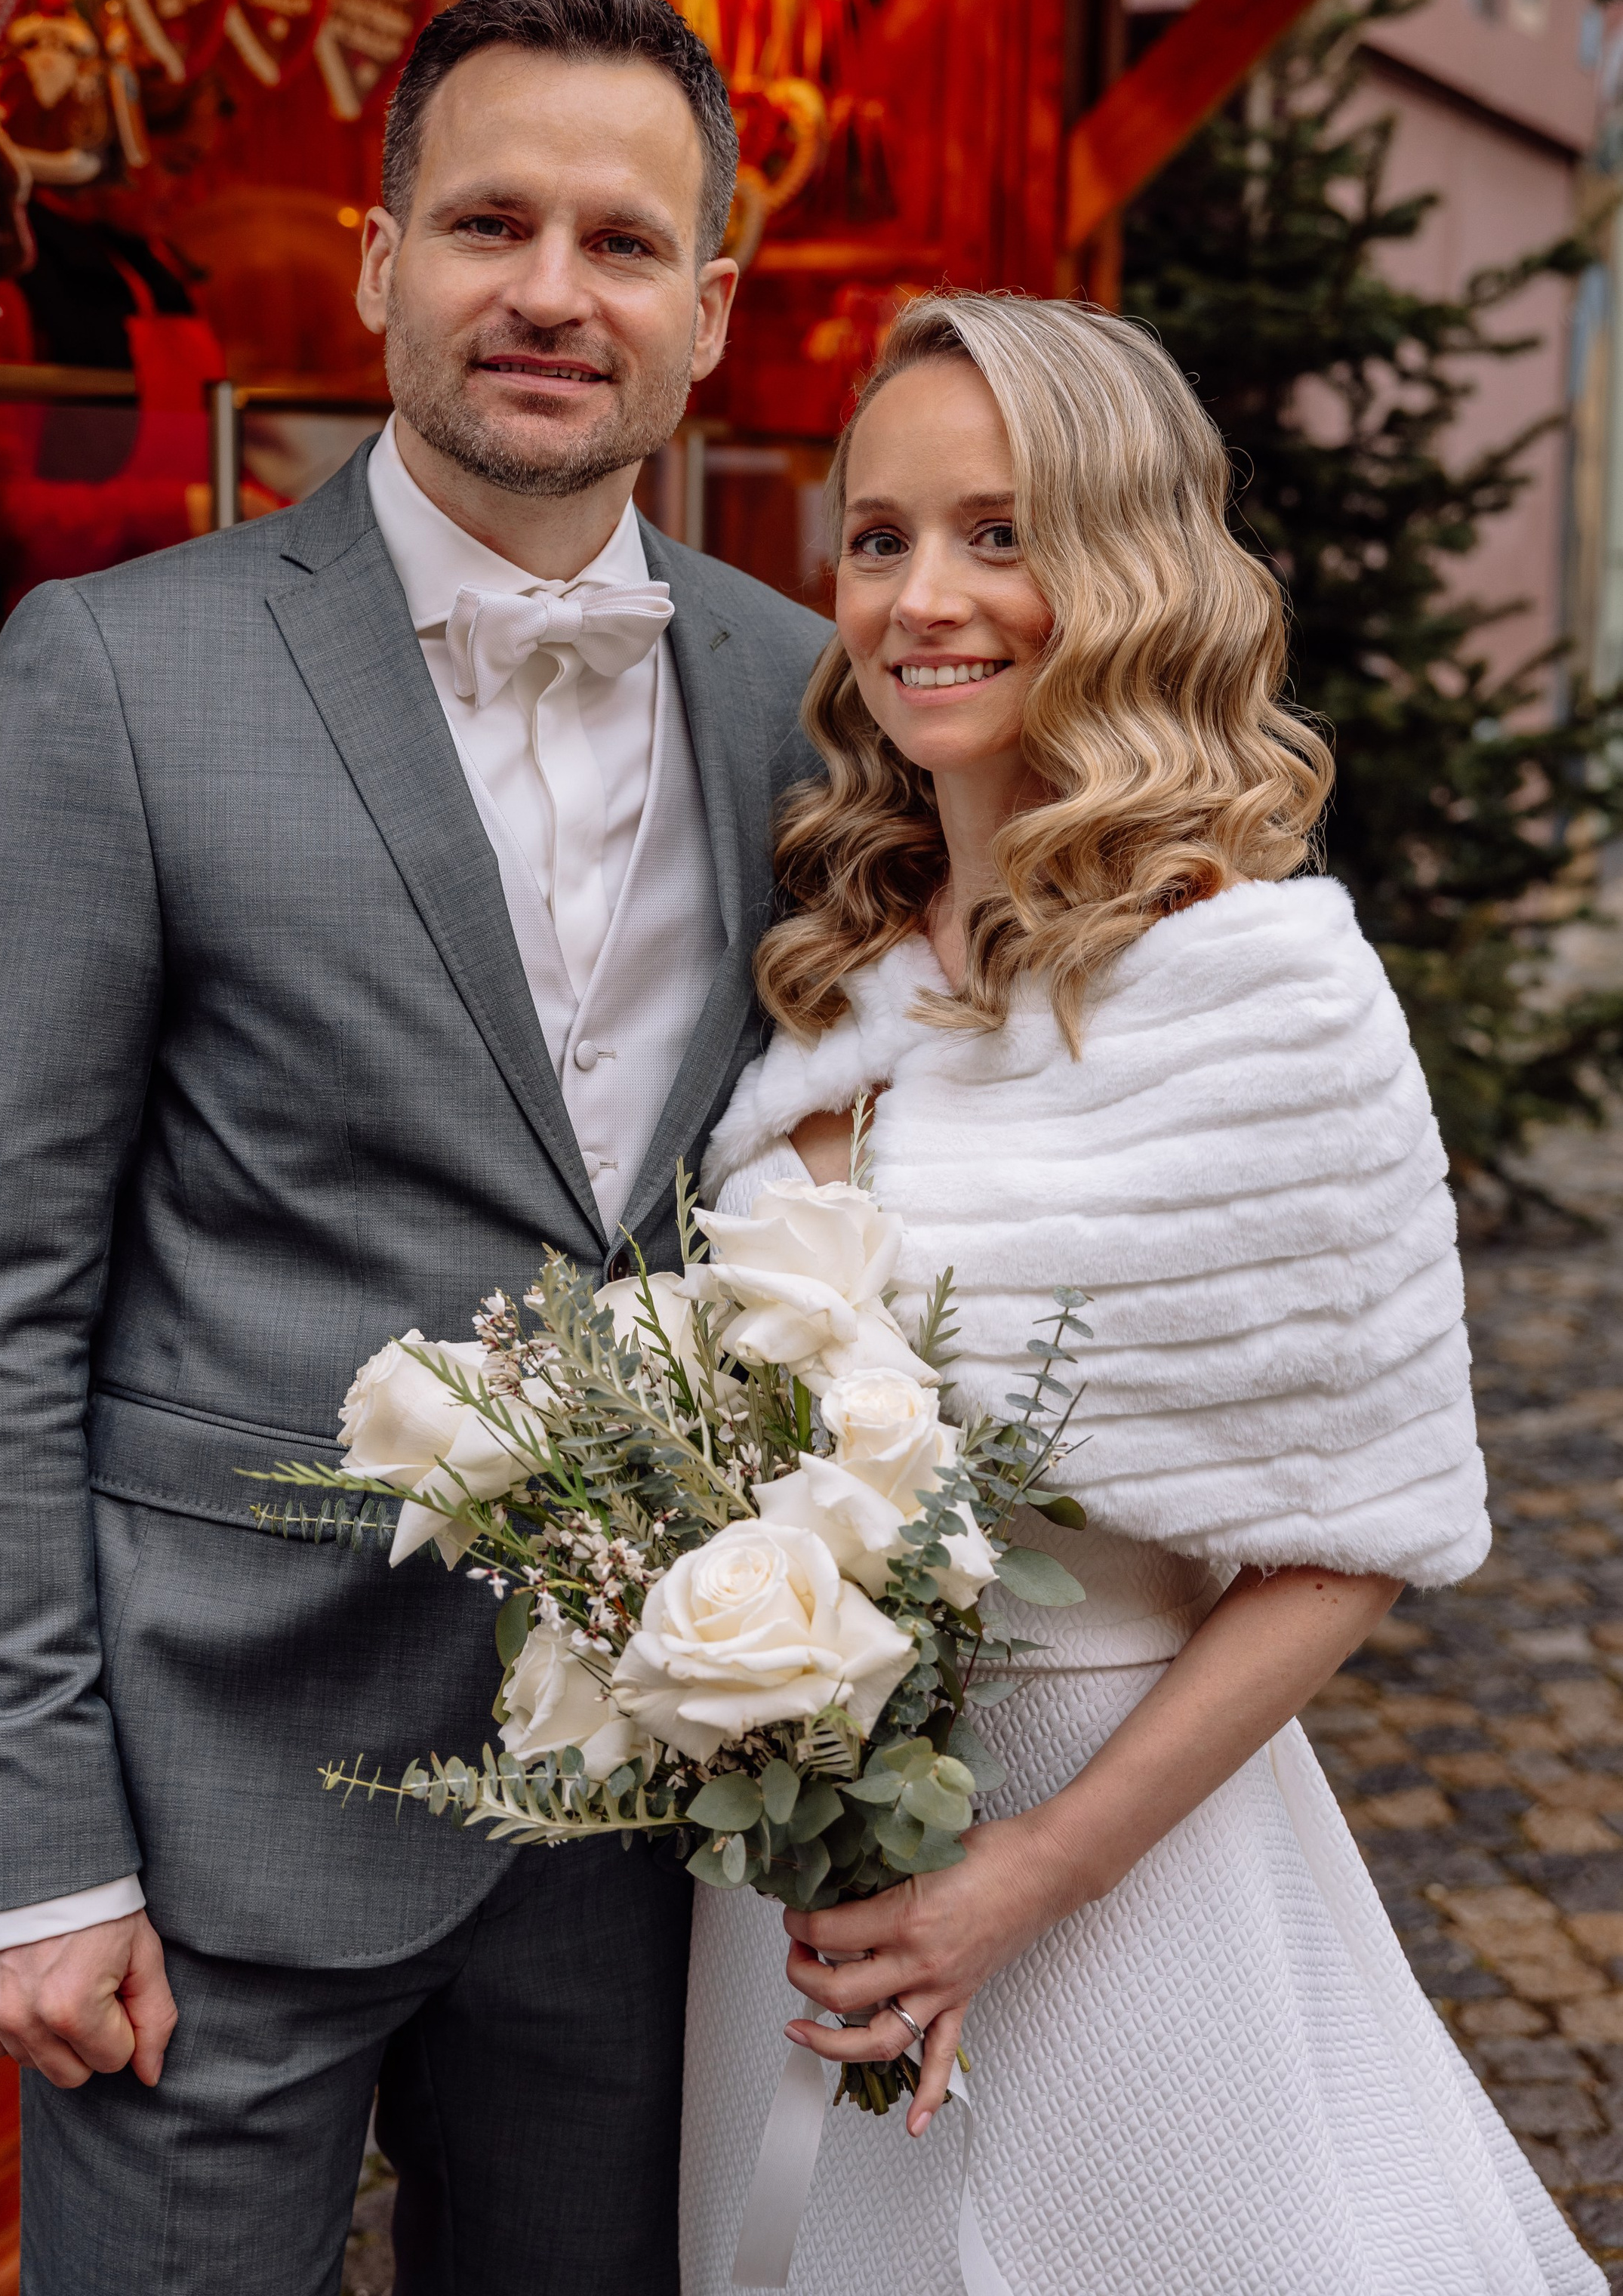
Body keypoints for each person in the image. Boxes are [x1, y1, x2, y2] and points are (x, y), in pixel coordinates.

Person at [0, 0, 828, 2295]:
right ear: (384, 256)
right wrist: (22, 1834)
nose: (550, 291)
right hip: (214, 1807)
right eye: (491, 222)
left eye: (621, 245)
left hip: (633, 1824)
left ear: (705, 312)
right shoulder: (121, 671)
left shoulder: (803, 692)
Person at [686, 291, 1600, 2295]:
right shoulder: (836, 961)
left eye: (1000, 535)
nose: (927, 597)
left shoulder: (1262, 990)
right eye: (881, 536)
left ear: (1125, 568)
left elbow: (1348, 1550)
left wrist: (1020, 1880)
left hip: (1108, 1872)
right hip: (789, 1897)